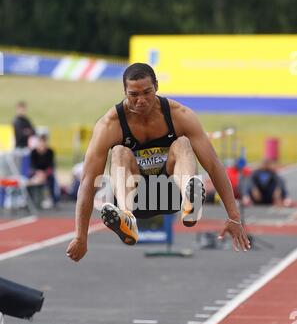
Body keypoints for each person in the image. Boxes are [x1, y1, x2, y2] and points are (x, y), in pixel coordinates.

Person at [67, 63, 250, 261]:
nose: (141, 101)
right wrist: (81, 236)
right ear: (124, 92)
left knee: (182, 144)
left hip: (169, 193)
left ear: (157, 86)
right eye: (133, 95)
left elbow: (214, 165)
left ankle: (190, 203)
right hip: (133, 197)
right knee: (119, 152)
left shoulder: (179, 115)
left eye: (147, 92)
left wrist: (234, 216)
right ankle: (127, 219)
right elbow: (87, 181)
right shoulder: (110, 124)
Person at [28, 134, 60, 207]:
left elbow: (51, 165)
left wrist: (45, 173)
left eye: (44, 142)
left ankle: (54, 200)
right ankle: (30, 201)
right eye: (41, 142)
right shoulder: (34, 152)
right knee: (29, 180)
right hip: (36, 172)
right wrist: (38, 172)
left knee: (52, 179)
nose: (42, 144)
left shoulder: (50, 152)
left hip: (46, 173)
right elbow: (32, 165)